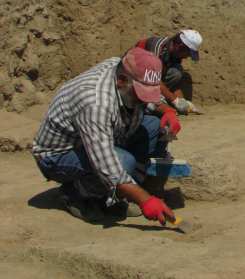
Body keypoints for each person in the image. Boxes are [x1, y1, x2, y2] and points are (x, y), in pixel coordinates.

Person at [33, 48, 180, 222]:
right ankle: (74, 194)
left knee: (156, 127)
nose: (145, 101)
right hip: (61, 155)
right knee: (123, 162)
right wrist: (145, 200)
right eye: (140, 95)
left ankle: (113, 194)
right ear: (122, 81)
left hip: (102, 136)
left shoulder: (124, 67)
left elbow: (149, 95)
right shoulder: (94, 102)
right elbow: (107, 164)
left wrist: (167, 111)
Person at [132, 30, 203, 115]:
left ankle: (158, 99)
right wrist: (175, 101)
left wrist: (181, 99)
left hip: (151, 80)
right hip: (133, 81)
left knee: (177, 70)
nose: (186, 57)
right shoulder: (155, 50)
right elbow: (153, 80)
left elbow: (176, 82)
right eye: (187, 54)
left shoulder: (175, 54)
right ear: (180, 47)